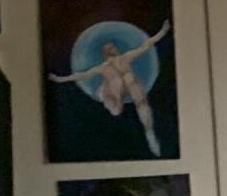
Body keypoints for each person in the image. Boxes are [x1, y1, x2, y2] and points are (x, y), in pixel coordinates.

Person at [49, 19, 171, 156]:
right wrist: (61, 79)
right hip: (115, 91)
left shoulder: (125, 58)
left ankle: (150, 134)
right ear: (107, 53)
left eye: (114, 47)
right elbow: (82, 75)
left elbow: (145, 46)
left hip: (130, 86)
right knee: (116, 106)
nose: (115, 49)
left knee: (133, 87)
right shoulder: (104, 68)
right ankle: (106, 95)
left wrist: (162, 32)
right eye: (111, 48)